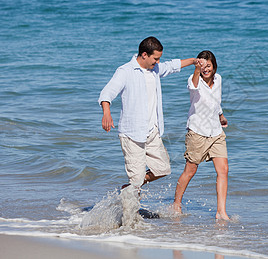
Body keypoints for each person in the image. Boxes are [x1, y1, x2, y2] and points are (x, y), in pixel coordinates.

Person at [98, 36, 198, 191]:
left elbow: (172, 66)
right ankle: (131, 212)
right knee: (136, 179)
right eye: (155, 58)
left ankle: (130, 187)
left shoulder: (154, 69)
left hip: (152, 132)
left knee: (163, 169)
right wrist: (106, 113)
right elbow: (107, 93)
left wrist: (193, 61)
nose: (158, 62)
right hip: (132, 135)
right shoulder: (125, 71)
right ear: (144, 55)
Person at [173, 50, 230, 220]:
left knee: (224, 170)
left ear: (214, 66)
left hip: (216, 132)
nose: (206, 69)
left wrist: (221, 115)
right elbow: (194, 85)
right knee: (190, 171)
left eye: (208, 66)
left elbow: (216, 100)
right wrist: (196, 69)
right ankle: (176, 203)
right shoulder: (193, 80)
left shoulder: (218, 79)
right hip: (197, 132)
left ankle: (221, 212)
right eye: (203, 66)